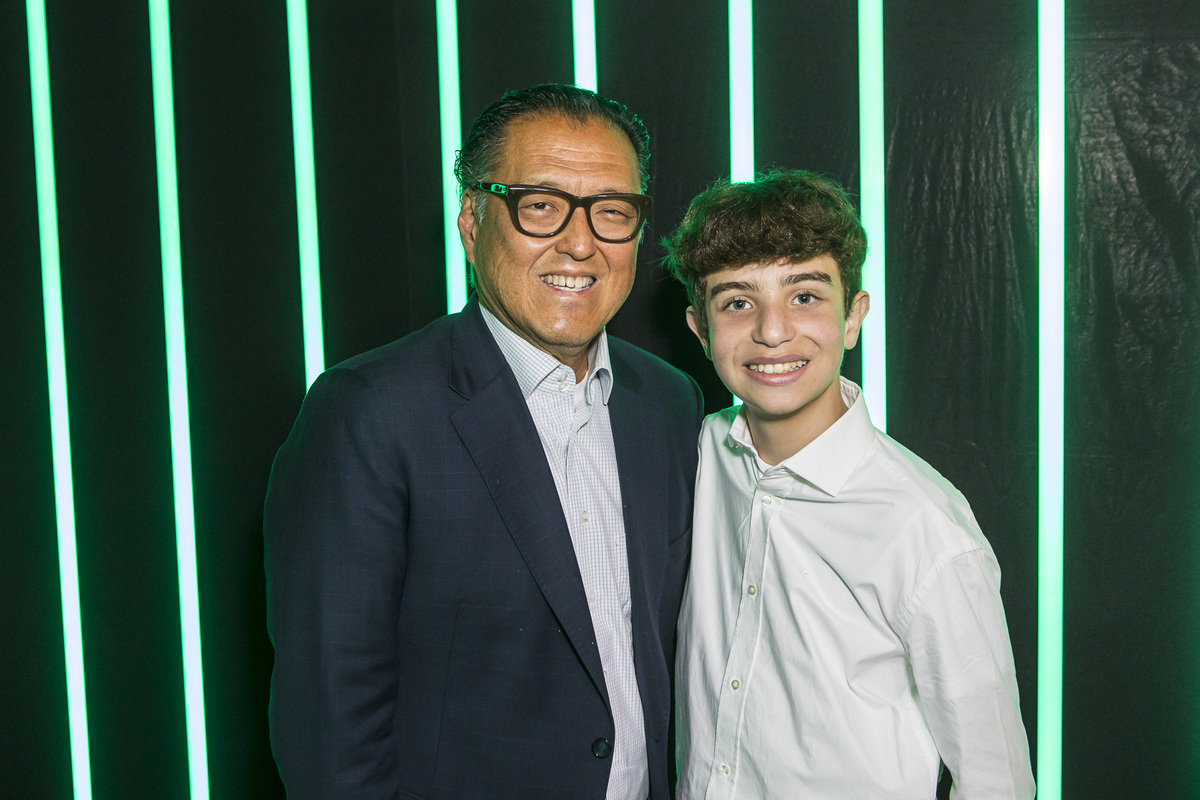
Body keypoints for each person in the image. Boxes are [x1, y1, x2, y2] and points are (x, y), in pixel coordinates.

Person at [264, 84, 704, 799]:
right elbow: (330, 726)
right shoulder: (369, 413)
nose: (581, 242)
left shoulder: (670, 402)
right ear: (472, 222)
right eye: (541, 206)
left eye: (612, 211)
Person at [665, 170, 1035, 799]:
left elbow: (994, 778)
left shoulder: (924, 528)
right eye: (738, 303)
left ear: (854, 317)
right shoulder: (698, 453)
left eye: (805, 296)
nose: (773, 331)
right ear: (701, 330)